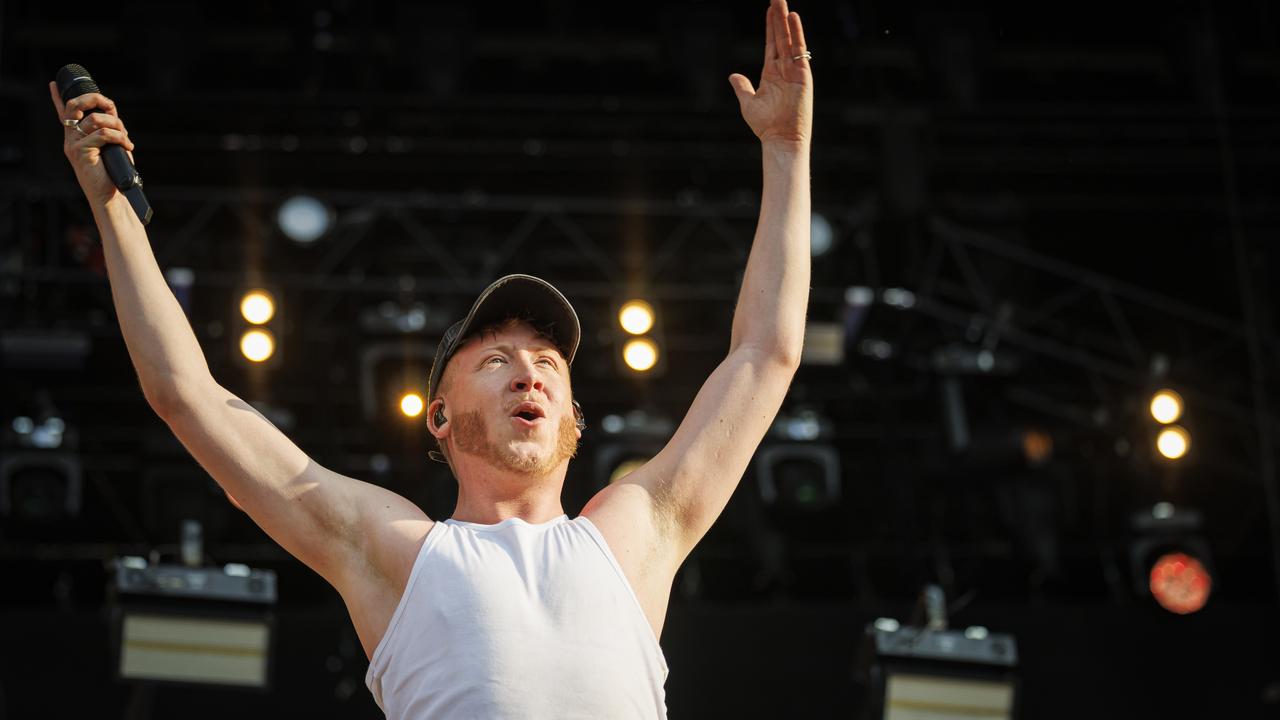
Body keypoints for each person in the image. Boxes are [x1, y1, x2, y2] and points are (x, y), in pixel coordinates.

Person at [50, 0, 812, 716]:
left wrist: (785, 152)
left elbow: (764, 355)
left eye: (550, 364)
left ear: (576, 417)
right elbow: (187, 395)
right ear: (438, 417)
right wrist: (111, 208)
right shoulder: (393, 548)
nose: (529, 372)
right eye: (496, 361)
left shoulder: (633, 532)